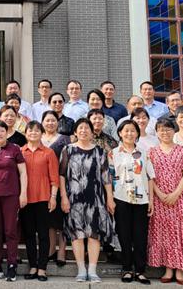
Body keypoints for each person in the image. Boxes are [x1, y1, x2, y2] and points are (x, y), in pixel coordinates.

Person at [59, 118, 116, 283]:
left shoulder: (99, 151)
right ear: (75, 132)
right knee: (77, 234)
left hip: (96, 199)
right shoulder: (67, 150)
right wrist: (63, 197)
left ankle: (92, 269)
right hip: (74, 198)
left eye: (87, 128)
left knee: (93, 235)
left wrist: (110, 199)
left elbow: (106, 177)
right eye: (80, 128)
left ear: (92, 132)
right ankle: (81, 270)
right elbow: (61, 175)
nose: (83, 131)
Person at [147, 118, 183, 284]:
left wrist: (176, 193)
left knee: (181, 232)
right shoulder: (152, 152)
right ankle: (168, 268)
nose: (165, 132)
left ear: (174, 130)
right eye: (161, 129)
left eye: (168, 129)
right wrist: (160, 194)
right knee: (165, 233)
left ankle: (180, 270)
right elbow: (149, 176)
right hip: (159, 198)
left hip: (179, 198)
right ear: (156, 132)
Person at [110, 119, 155, 285]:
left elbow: (150, 176)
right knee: (124, 234)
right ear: (120, 133)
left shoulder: (144, 152)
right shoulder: (114, 153)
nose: (129, 133)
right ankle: (127, 268)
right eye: (126, 130)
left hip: (142, 199)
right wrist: (110, 198)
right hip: (121, 198)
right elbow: (108, 177)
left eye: (132, 130)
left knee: (140, 235)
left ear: (137, 134)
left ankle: (141, 270)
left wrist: (151, 200)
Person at [0, 119, 28, 281]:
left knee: (10, 231)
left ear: (6, 132)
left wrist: (23, 194)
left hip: (11, 195)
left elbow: (23, 172)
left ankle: (12, 265)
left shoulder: (14, 149)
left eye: (2, 131)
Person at [21, 121, 59, 282]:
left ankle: (42, 268)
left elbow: (55, 178)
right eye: (30, 131)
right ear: (25, 133)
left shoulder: (49, 152)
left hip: (44, 198)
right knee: (29, 235)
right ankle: (33, 266)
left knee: (44, 234)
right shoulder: (20, 152)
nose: (33, 133)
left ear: (42, 133)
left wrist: (53, 197)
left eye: (37, 131)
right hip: (25, 199)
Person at [40, 110, 72, 267]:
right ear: (42, 122)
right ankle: (51, 249)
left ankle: (62, 250)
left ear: (57, 123)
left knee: (62, 218)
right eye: (47, 120)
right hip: (42, 184)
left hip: (61, 182)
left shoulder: (65, 139)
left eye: (53, 120)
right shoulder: (37, 138)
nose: (50, 123)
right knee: (49, 218)